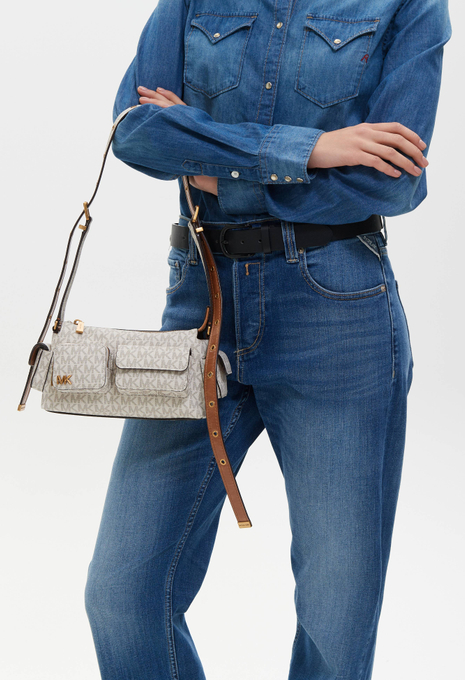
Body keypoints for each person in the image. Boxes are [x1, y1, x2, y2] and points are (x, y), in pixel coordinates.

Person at [84, 1, 452, 678]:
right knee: (120, 593)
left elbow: (391, 181)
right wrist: (309, 150)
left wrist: (212, 164)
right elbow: (134, 129)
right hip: (200, 300)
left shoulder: (409, 6)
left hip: (336, 312)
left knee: (334, 621)